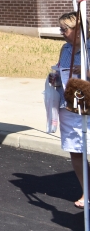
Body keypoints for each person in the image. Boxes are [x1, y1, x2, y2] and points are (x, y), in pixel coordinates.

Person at [52, 11, 90, 208]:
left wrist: (85, 71)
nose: (61, 32)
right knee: (76, 151)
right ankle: (87, 192)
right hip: (70, 106)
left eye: (64, 29)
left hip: (88, 107)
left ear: (78, 30)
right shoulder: (65, 48)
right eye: (61, 29)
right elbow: (60, 71)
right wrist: (54, 77)